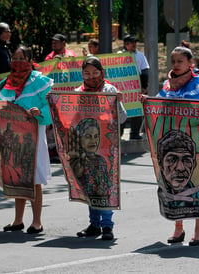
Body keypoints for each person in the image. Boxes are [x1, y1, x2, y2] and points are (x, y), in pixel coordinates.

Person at [143, 46, 199, 246]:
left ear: (190, 63)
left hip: (195, 144)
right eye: (173, 61)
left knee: (198, 183)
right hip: (170, 143)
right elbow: (156, 108)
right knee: (172, 185)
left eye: (180, 61)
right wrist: (147, 103)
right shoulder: (167, 87)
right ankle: (178, 228)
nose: (175, 65)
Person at [0, 45, 53, 234]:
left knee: (34, 178)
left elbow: (51, 106)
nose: (17, 62)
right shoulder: (5, 83)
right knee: (17, 178)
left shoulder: (39, 81)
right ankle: (18, 220)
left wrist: (39, 112)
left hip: (33, 135)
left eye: (22, 58)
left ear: (29, 60)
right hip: (12, 136)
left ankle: (37, 222)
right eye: (14, 58)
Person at [74, 56, 127, 240]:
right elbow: (73, 120)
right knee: (90, 185)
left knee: (106, 184)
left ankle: (107, 226)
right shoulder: (78, 92)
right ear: (82, 74)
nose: (91, 76)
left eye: (95, 73)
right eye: (87, 73)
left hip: (107, 147)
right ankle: (94, 224)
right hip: (86, 149)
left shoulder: (110, 90)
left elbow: (122, 117)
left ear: (102, 73)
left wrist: (117, 102)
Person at [119, 34, 149, 140]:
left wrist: (144, 86)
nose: (134, 45)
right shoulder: (119, 55)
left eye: (135, 43)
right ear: (126, 45)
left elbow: (145, 71)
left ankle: (135, 133)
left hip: (137, 87)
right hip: (123, 89)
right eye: (131, 43)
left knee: (137, 110)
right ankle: (119, 133)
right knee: (122, 111)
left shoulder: (140, 55)